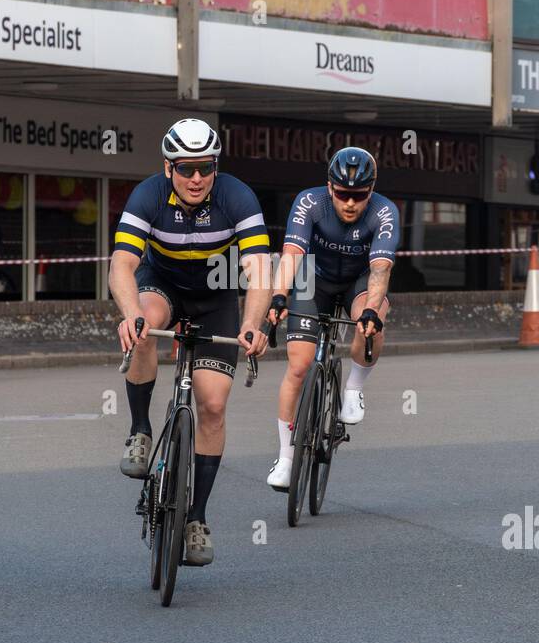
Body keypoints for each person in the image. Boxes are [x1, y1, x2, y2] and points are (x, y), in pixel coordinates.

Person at [109, 118, 271, 567]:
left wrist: (253, 323)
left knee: (213, 405)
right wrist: (130, 316)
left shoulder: (237, 197)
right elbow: (122, 264)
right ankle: (140, 430)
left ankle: (196, 517)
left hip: (216, 297)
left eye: (204, 168)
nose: (195, 178)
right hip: (161, 286)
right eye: (185, 169)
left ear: (215, 167)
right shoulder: (147, 195)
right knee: (144, 328)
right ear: (168, 168)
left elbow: (259, 270)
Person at [263, 147, 399, 491]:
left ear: (372, 190)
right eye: (342, 194)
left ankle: (353, 388)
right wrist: (279, 297)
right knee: (298, 366)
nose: (350, 203)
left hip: (359, 280)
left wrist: (370, 311)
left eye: (358, 195)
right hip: (314, 278)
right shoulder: (310, 203)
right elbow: (292, 254)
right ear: (329, 187)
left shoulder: (385, 211)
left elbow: (380, 268)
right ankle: (286, 457)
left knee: (373, 320)